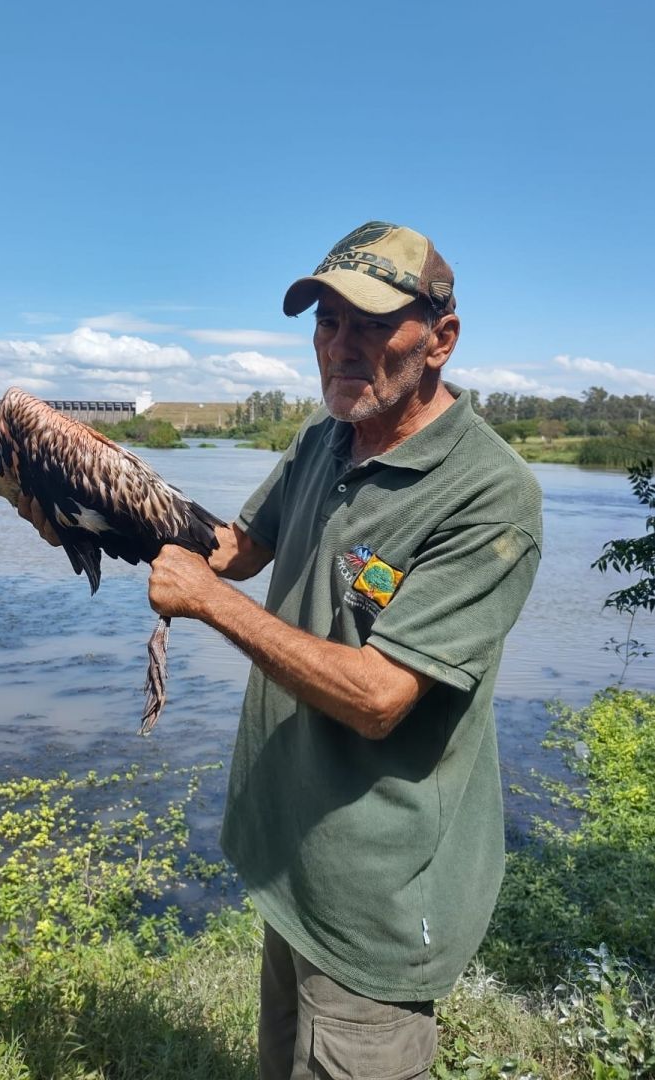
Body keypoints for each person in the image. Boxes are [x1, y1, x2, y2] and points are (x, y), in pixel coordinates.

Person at [146, 221, 543, 1080]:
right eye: (325, 323)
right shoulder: (327, 434)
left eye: (370, 325)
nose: (339, 348)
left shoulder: (488, 495)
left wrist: (208, 603)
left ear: (440, 340)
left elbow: (378, 698)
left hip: (377, 898)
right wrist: (98, 504)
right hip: (294, 860)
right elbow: (239, 546)